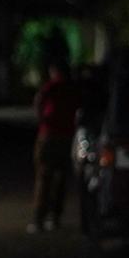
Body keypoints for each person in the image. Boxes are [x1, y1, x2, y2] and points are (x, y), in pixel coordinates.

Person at [32, 61, 83, 232]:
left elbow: (38, 101)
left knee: (45, 177)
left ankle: (39, 218)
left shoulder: (52, 86)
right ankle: (54, 217)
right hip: (66, 136)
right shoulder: (72, 88)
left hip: (50, 135)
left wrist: (42, 120)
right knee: (60, 179)